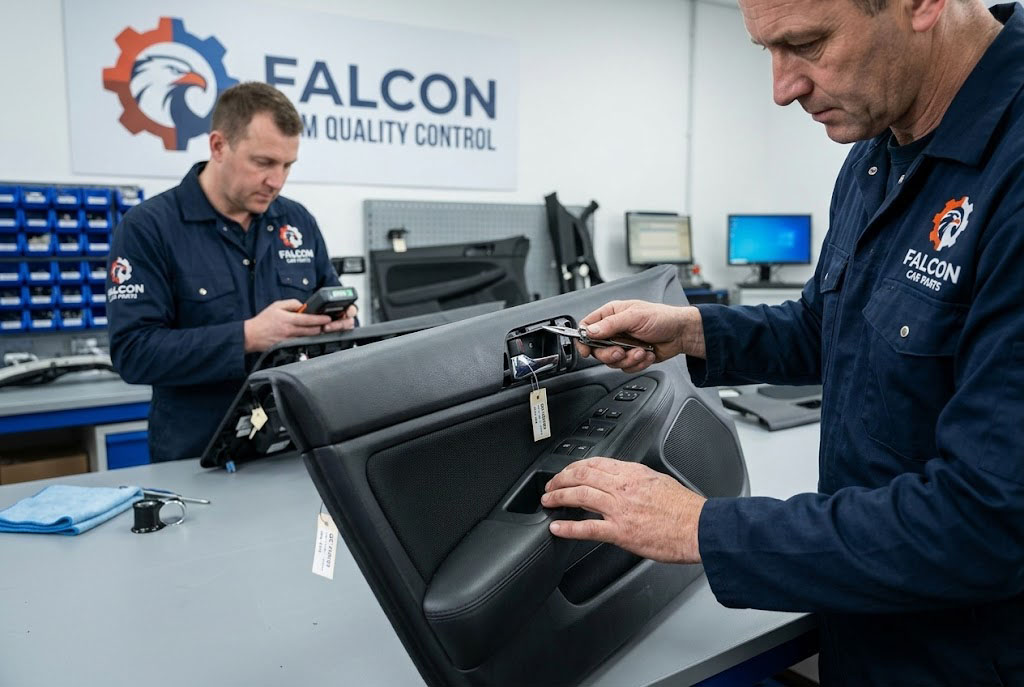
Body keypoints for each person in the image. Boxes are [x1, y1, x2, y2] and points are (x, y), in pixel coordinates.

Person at [542, 0, 1024, 683]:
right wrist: (692, 331)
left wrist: (700, 528)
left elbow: (987, 522)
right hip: (863, 623)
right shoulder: (877, 148)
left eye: (808, 43)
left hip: (967, 656)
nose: (782, 89)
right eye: (767, 50)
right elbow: (829, 327)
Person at [107, 82, 356, 463]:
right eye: (263, 163)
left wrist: (340, 325)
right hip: (195, 461)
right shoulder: (149, 228)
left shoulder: (297, 221)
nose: (277, 181)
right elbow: (134, 353)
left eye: (287, 165)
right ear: (218, 146)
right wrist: (247, 336)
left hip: (291, 451)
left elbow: (334, 320)